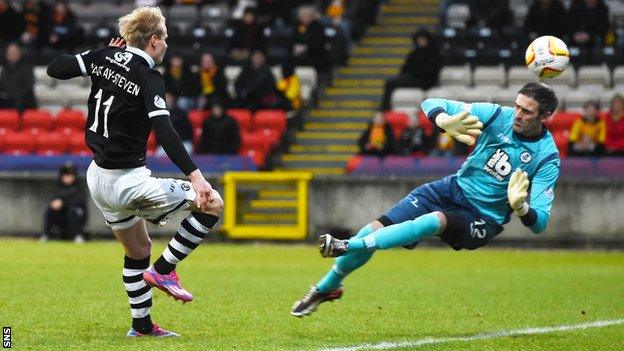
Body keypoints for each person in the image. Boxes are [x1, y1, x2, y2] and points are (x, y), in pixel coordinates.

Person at [291, 82, 561, 317]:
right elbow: (430, 102)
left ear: (545, 115)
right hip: (450, 189)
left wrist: (521, 207)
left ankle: (347, 245)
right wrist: (444, 121)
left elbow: (540, 223)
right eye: (517, 106)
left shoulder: (546, 156)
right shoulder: (497, 116)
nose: (517, 114)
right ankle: (326, 289)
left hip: (482, 217)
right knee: (371, 230)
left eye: (526, 111)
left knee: (434, 221)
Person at [47, 7, 223, 337]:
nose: (167, 44)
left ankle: (141, 327)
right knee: (212, 204)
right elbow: (165, 130)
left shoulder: (104, 56)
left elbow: (55, 68)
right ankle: (165, 270)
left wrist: (103, 55)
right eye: (165, 38)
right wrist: (195, 176)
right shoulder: (148, 74)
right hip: (128, 180)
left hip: (97, 177)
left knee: (138, 250)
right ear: (154, 41)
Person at [380, 28, 441, 111]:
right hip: (412, 79)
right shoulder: (414, 53)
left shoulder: (434, 53)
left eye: (423, 39)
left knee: (391, 83)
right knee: (391, 83)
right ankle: (386, 108)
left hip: (425, 81)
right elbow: (405, 69)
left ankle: (383, 109)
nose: (421, 41)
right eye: (419, 39)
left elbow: (433, 71)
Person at [41, 162, 88, 243]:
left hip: (77, 213)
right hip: (62, 214)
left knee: (73, 211)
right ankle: (46, 235)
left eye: (70, 175)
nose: (68, 178)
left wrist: (63, 203)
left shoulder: (79, 186)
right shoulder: (58, 186)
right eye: (65, 176)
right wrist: (54, 204)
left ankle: (78, 235)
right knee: (49, 210)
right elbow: (54, 199)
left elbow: (79, 201)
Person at [0, 43, 37, 112]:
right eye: (9, 53)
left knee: (19, 103)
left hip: (23, 100)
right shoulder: (4, 69)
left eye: (14, 53)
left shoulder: (27, 67)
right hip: (8, 99)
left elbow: (28, 87)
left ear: (19, 54)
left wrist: (12, 95)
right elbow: (2, 86)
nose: (11, 55)